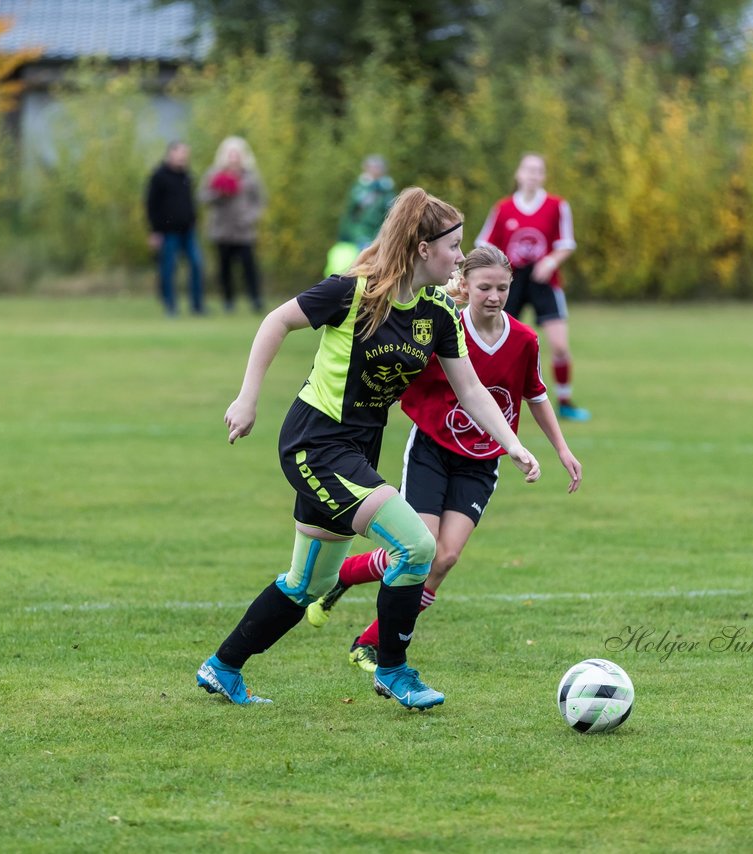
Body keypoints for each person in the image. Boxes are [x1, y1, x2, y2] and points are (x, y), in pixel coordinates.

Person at [196, 187, 542, 710]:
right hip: (317, 442)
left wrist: (512, 444)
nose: (459, 255)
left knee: (308, 583)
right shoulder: (354, 292)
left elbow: (470, 389)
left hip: (357, 448)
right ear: (424, 248)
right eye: (453, 245)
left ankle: (222, 668)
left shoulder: (438, 314)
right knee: (418, 547)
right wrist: (248, 398)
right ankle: (393, 670)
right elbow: (276, 321)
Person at [305, 246, 583, 671]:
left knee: (445, 558)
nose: (494, 296)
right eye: (485, 287)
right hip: (431, 449)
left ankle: (369, 641)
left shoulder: (525, 339)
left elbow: (536, 393)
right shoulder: (444, 327)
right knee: (420, 548)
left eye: (503, 288)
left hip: (482, 459)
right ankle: (343, 577)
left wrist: (562, 450)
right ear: (466, 285)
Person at [475, 153, 590, 422]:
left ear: (543, 176)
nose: (532, 175)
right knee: (497, 341)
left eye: (538, 171)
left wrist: (550, 262)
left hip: (544, 283)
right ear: (518, 173)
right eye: (528, 169)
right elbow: (484, 244)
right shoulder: (503, 208)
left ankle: (565, 401)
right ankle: (488, 400)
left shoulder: (556, 206)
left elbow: (566, 244)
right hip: (509, 284)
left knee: (560, 346)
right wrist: (497, 271)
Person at [198, 136, 266, 313]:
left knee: (249, 266)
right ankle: (228, 301)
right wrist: (219, 193)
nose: (233, 158)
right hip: (222, 229)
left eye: (237, 154)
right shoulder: (213, 173)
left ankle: (255, 299)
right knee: (225, 268)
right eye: (230, 154)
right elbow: (202, 197)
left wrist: (250, 217)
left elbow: (260, 201)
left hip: (244, 230)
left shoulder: (251, 175)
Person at [144, 140, 204, 316]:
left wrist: (194, 219)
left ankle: (197, 306)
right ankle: (170, 306)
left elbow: (189, 202)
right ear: (170, 154)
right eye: (180, 154)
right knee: (168, 269)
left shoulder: (187, 175)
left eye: (186, 155)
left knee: (196, 264)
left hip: (188, 230)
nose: (184, 158)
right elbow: (150, 205)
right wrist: (154, 231)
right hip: (168, 232)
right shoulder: (159, 176)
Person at [338, 154, 394, 250]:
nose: (376, 170)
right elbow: (351, 213)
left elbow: (391, 211)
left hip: (381, 233)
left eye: (379, 167)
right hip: (360, 233)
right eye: (373, 167)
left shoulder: (387, 189)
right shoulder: (359, 187)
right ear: (366, 168)